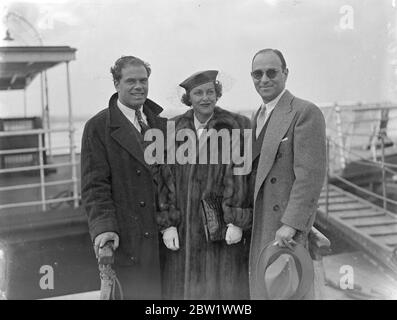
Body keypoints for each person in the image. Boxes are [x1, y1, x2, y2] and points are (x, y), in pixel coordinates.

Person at [156, 70, 252, 299]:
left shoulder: (236, 125)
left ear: (218, 94)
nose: (205, 98)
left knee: (220, 293)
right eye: (198, 93)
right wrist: (167, 223)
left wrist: (236, 220)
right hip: (183, 228)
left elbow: (240, 174)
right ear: (188, 98)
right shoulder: (172, 129)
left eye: (210, 92)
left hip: (219, 228)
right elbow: (163, 177)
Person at [81, 56, 167, 299]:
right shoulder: (98, 127)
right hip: (130, 243)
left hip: (164, 242)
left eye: (143, 80)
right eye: (131, 81)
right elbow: (94, 187)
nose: (139, 86)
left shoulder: (160, 124)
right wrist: (104, 230)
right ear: (116, 83)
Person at [248, 49, 326, 299]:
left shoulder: (304, 112)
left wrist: (291, 224)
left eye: (272, 72)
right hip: (261, 223)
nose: (264, 79)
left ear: (285, 74)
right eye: (257, 74)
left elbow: (310, 176)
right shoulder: (257, 115)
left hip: (283, 228)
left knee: (288, 291)